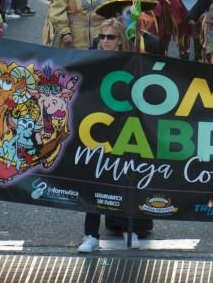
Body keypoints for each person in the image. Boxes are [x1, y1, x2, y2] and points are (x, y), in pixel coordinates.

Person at [78, 17, 143, 253]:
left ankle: (130, 229)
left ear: (120, 41)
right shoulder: (90, 60)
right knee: (94, 182)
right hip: (95, 131)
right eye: (102, 37)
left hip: (124, 129)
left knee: (125, 181)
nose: (105, 41)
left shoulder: (132, 62)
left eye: (111, 37)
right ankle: (90, 235)